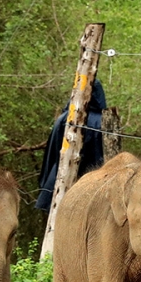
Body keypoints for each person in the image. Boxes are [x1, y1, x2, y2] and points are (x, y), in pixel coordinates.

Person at [35, 78, 106, 212]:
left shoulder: (64, 118)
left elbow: (51, 155)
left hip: (57, 182)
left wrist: (45, 183)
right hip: (89, 189)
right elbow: (101, 159)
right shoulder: (102, 122)